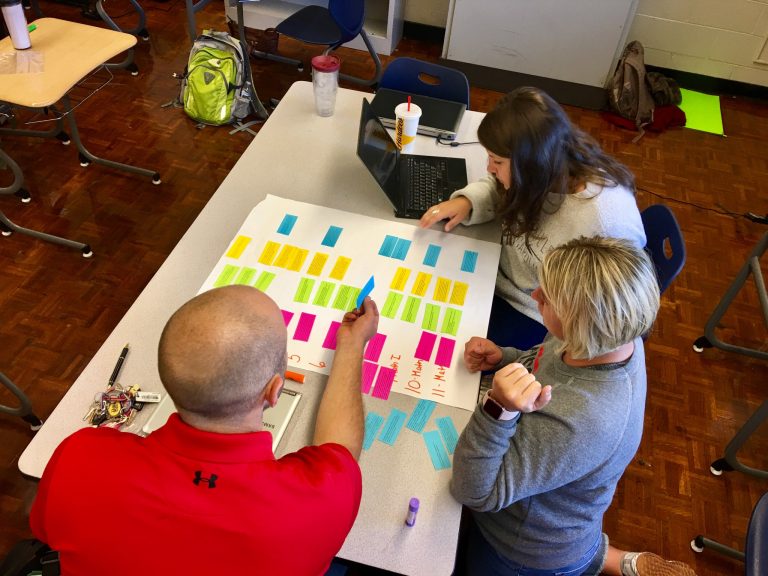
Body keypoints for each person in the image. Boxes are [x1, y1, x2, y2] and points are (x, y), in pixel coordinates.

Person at [29, 285, 380, 576]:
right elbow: (340, 452)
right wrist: (352, 345)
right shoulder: (319, 500)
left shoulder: (80, 456)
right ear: (275, 392)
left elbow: (44, 531)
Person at [450, 237, 695, 576]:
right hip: (565, 507)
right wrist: (505, 358)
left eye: (548, 298)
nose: (535, 296)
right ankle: (613, 560)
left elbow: (473, 491)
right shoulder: (613, 336)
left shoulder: (578, 422)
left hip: (522, 549)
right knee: (578, 541)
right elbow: (547, 360)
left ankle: (585, 561)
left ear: (582, 326)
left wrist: (498, 409)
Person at [420, 86, 646, 351]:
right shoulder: (548, 166)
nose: (489, 168)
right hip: (494, 273)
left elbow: (601, 318)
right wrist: (468, 201)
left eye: (497, 161)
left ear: (532, 163)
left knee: (441, 342)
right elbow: (503, 185)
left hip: (537, 314)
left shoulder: (605, 221)